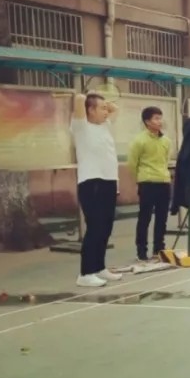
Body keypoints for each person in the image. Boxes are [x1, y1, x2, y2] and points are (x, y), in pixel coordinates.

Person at [70, 93, 121, 288]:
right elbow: (78, 99)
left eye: (106, 109)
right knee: (95, 227)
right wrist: (86, 96)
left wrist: (105, 104)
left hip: (109, 181)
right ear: (90, 110)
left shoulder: (105, 126)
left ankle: (99, 267)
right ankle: (85, 273)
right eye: (102, 108)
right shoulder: (81, 127)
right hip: (92, 182)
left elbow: (116, 109)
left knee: (106, 226)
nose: (106, 112)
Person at [128, 106, 172, 262]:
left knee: (162, 218)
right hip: (147, 183)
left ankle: (158, 249)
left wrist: (165, 175)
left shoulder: (166, 141)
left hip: (164, 182)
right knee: (144, 218)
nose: (160, 121)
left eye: (160, 118)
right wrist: (139, 179)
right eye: (156, 118)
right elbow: (132, 163)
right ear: (147, 121)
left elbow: (165, 161)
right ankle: (141, 251)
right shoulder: (139, 140)